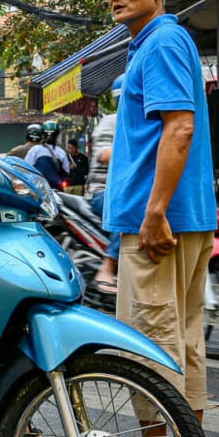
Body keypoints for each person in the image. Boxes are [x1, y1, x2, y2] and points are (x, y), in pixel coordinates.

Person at [103, 0, 216, 437]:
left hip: (160, 224)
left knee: (147, 342)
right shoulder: (158, 44)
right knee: (182, 338)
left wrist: (152, 212)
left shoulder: (162, 42)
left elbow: (179, 129)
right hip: (183, 218)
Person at [85, 76, 123, 293]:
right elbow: (104, 154)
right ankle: (107, 267)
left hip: (121, 190)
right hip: (103, 192)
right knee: (129, 209)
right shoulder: (112, 121)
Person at [24, 120, 70, 190]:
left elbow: (26, 169)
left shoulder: (35, 150)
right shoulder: (61, 153)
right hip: (57, 190)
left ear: (43, 135)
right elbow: (66, 172)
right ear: (57, 135)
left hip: (39, 189)